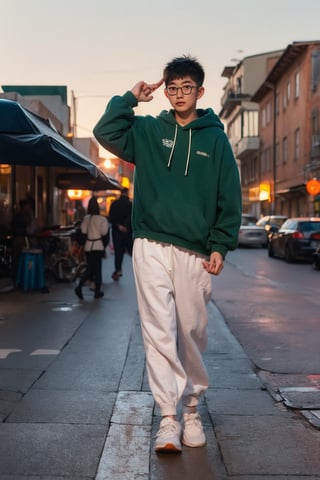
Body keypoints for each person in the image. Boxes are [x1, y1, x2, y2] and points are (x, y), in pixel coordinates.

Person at [93, 55, 242, 453]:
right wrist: (130, 98)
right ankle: (169, 418)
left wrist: (220, 244)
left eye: (186, 88)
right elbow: (104, 130)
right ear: (166, 89)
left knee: (191, 330)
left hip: (194, 251)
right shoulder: (147, 130)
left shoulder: (215, 138)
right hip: (151, 244)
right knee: (158, 331)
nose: (178, 95)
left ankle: (192, 408)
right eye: (172, 88)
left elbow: (229, 195)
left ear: (200, 91)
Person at [74, 196, 109, 300]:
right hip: (98, 246)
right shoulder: (102, 219)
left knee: (91, 267)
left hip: (88, 246)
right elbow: (104, 232)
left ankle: (89, 288)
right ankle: (85, 287)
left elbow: (83, 231)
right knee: (96, 269)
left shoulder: (86, 218)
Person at [109, 187, 133, 281]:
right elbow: (133, 217)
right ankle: (141, 269)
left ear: (120, 193)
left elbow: (111, 217)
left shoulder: (114, 204)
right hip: (128, 232)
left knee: (118, 252)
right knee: (132, 251)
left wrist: (119, 226)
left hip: (117, 232)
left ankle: (118, 270)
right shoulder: (131, 205)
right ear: (127, 193)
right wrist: (127, 227)